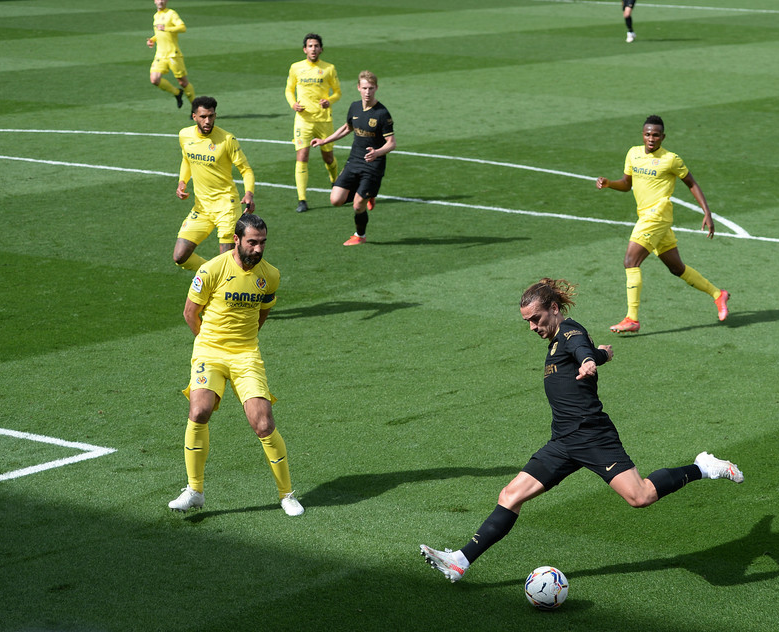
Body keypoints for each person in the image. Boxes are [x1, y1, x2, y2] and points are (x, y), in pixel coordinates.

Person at [420, 278, 743, 582]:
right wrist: (602, 355)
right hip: (562, 441)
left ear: (555, 310)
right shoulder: (555, 340)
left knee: (640, 497)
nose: (533, 327)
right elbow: (585, 352)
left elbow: (580, 348)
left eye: (537, 318)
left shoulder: (571, 331)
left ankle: (703, 467)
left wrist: (590, 360)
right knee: (510, 495)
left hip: (592, 435)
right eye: (528, 322)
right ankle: (461, 561)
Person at [168, 213, 304, 517]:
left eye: (263, 243)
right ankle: (194, 490)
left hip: (246, 355)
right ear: (237, 239)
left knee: (264, 423)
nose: (258, 249)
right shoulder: (212, 269)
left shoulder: (270, 275)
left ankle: (287, 494)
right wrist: (207, 345)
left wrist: (244, 343)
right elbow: (191, 313)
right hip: (209, 351)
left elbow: (263, 313)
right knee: (198, 410)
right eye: (252, 242)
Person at [595, 115, 729, 333]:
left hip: (657, 216)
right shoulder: (633, 153)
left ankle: (632, 318)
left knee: (630, 261)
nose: (651, 138)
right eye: (648, 134)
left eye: (656, 135)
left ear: (662, 137)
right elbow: (626, 184)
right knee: (677, 268)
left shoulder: (671, 159)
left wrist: (707, 212)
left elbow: (691, 183)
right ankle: (718, 294)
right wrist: (609, 183)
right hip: (647, 217)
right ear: (643, 135)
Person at [310, 70, 395, 246]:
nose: (368, 92)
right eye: (364, 88)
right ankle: (366, 194)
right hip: (354, 160)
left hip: (373, 164)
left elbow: (391, 143)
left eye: (371, 88)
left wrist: (377, 153)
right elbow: (347, 128)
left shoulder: (382, 113)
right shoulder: (355, 107)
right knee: (336, 200)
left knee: (357, 206)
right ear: (358, 87)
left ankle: (360, 235)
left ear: (376, 88)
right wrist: (325, 140)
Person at [173, 96, 255, 272]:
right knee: (180, 257)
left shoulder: (227, 140)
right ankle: (213, 274)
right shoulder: (185, 135)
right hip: (201, 208)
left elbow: (246, 169)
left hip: (227, 207)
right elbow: (186, 159)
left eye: (211, 116)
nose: (207, 121)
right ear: (194, 116)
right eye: (203, 117)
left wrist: (249, 193)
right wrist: (182, 182)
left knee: (228, 262)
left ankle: (245, 287)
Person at [286, 32, 342, 214]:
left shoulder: (329, 69)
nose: (313, 49)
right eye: (310, 46)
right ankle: (302, 199)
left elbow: (337, 92)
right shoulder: (295, 67)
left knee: (328, 157)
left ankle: (335, 182)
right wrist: (292, 103)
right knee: (302, 157)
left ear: (321, 49)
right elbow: (288, 89)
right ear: (305, 49)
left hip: (324, 120)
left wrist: (329, 101)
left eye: (316, 46)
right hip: (303, 121)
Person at [146, 0, 195, 108]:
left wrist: (166, 28)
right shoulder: (156, 16)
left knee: (183, 82)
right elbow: (159, 33)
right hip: (160, 55)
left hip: (173, 54)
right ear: (154, 0)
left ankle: (195, 108)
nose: (160, 1)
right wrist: (153, 39)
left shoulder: (171, 14)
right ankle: (177, 93)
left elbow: (182, 27)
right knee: (154, 79)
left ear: (166, 0)